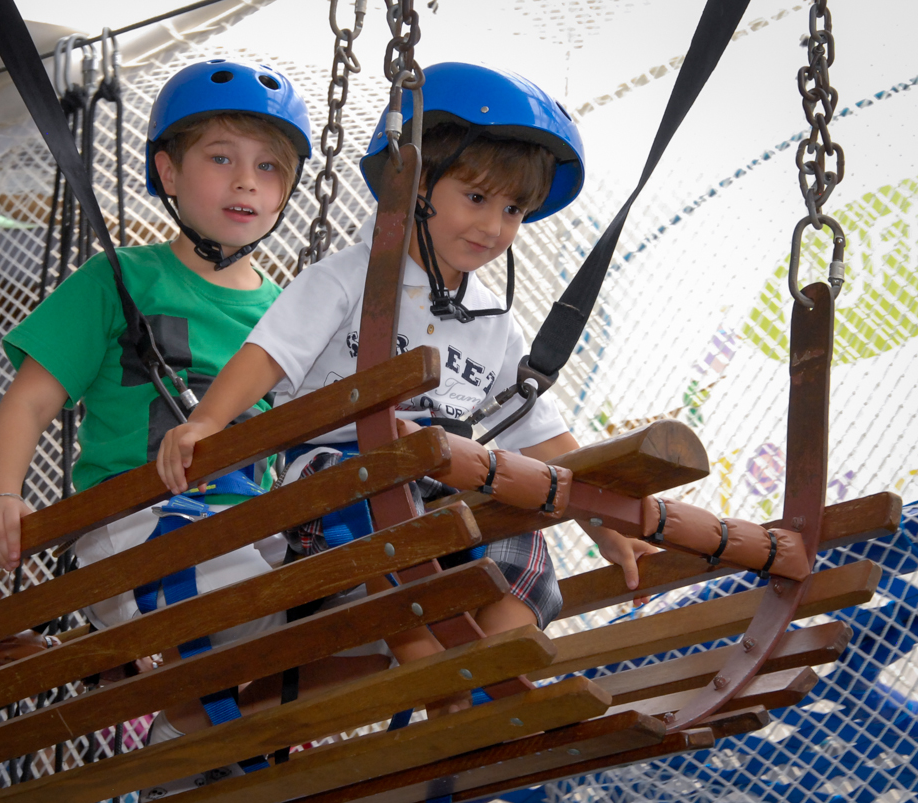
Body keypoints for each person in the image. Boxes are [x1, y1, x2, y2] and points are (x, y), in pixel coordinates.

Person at [157, 62, 656, 677]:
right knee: (386, 523)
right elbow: (270, 354)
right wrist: (207, 420)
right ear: (415, 187)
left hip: (437, 483)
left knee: (516, 524)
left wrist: (603, 521)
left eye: (513, 210)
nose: (494, 227)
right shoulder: (349, 278)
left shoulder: (492, 320)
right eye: (476, 198)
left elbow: (542, 438)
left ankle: (502, 673)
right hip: (336, 482)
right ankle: (431, 675)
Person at [0, 61, 345, 776]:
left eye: (269, 167)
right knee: (212, 625)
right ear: (168, 173)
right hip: (137, 524)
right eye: (221, 158)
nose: (246, 182)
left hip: (251, 530)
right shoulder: (122, 280)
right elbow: (32, 398)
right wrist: (0, 493)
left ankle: (198, 752)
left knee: (367, 611)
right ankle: (196, 750)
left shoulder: (296, 312)